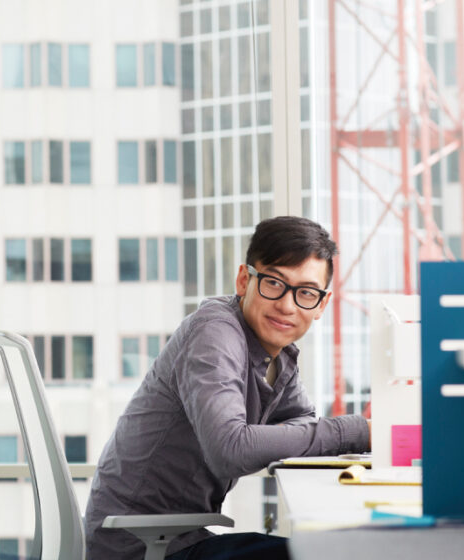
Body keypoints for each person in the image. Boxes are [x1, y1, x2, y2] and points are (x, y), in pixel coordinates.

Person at [84, 216, 371, 560]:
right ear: (244, 280)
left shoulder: (278, 355)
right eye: (274, 283)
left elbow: (302, 424)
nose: (287, 305)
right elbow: (230, 449)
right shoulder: (215, 332)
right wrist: (357, 431)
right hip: (137, 547)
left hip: (175, 538)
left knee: (334, 550)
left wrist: (292, 435)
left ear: (321, 304)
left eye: (306, 293)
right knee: (328, 554)